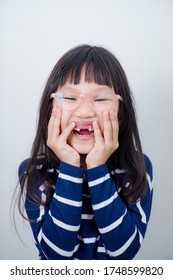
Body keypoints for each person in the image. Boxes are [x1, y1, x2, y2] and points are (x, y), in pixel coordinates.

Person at [18, 44, 153, 260]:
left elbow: (124, 253)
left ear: (120, 113)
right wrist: (70, 166)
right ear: (51, 107)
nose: (85, 111)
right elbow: (57, 256)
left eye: (100, 99)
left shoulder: (136, 167)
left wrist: (97, 167)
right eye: (70, 98)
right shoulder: (35, 170)